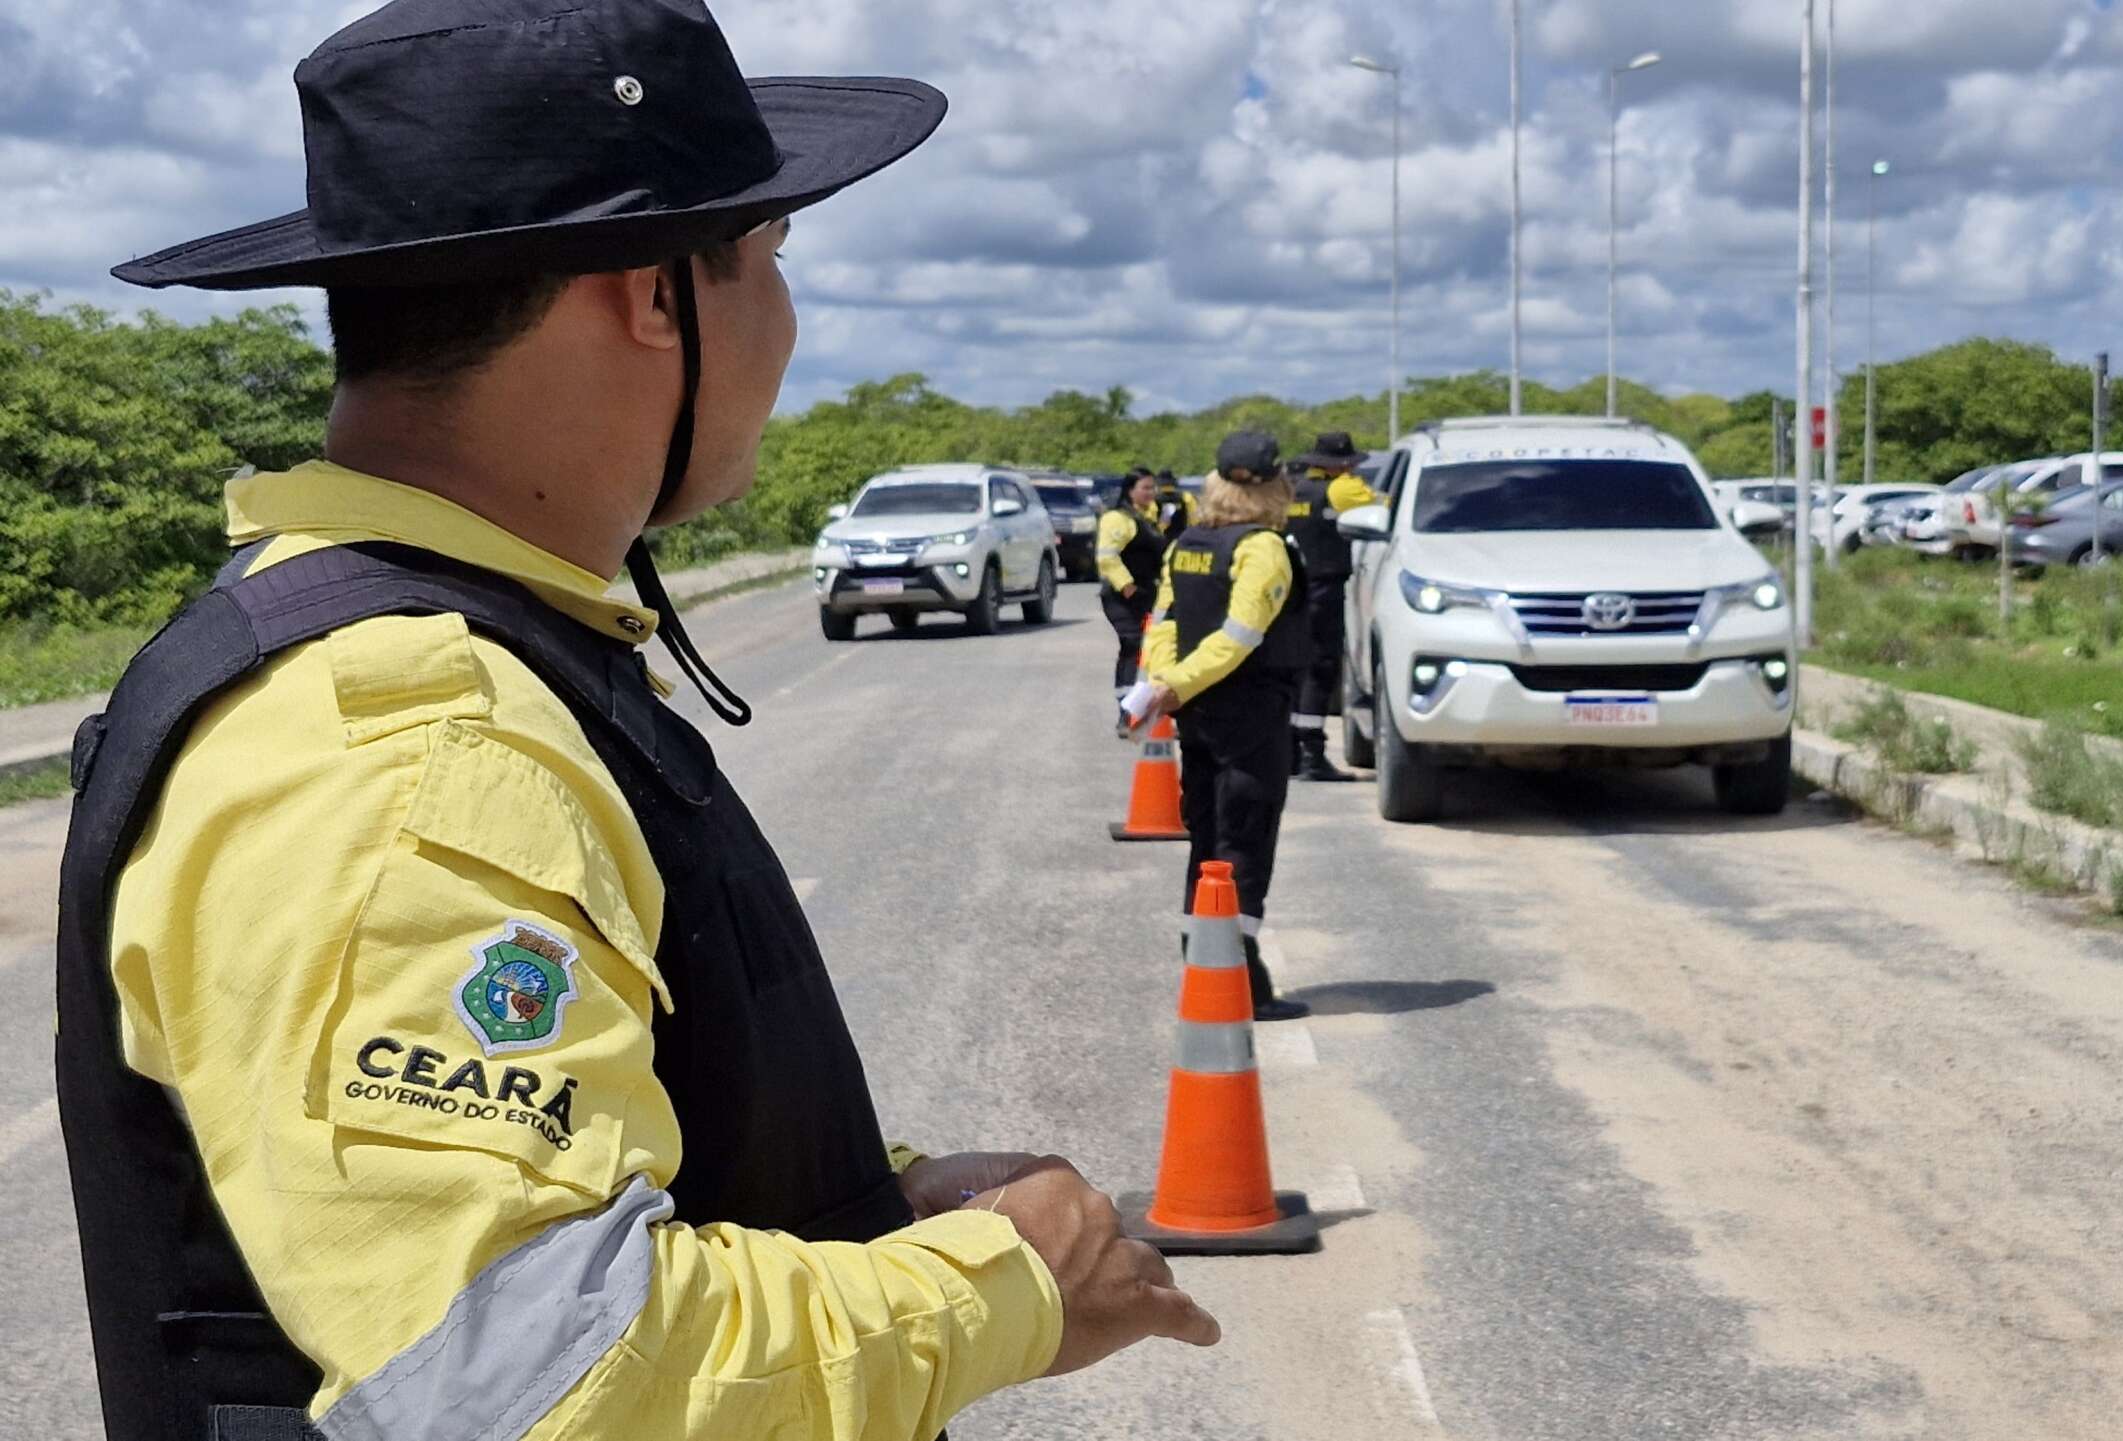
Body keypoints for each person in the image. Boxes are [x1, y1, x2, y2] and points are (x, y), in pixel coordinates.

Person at [54, 4, 1216, 1439]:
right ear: (651, 295)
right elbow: (539, 1376)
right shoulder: (417, 740)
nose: (789, 325)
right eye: (771, 262)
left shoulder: (414, 639)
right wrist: (1002, 1286)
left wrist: (864, 1207)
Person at [1131, 432, 1313, 1023]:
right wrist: (1174, 685)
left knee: (1208, 836)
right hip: (1247, 711)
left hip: (1198, 714)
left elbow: (1163, 621)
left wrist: (1167, 683)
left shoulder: (1188, 542)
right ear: (1274, 489)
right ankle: (1241, 982)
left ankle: (1204, 963)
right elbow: (1240, 636)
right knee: (1243, 838)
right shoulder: (1263, 548)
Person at [1284, 432, 1377, 782]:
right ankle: (1312, 754)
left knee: (1295, 669)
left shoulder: (1292, 490)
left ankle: (1292, 752)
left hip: (1292, 589)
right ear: (1343, 465)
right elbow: (1383, 506)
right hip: (1324, 587)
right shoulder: (1343, 489)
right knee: (1321, 668)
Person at [1096, 469, 1169, 713]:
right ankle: (1125, 711)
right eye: (1145, 488)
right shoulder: (1117, 518)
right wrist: (1127, 587)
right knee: (1132, 644)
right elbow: (1107, 558)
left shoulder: (1149, 517)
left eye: (1152, 488)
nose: (1151, 493)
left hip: (1149, 593)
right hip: (1122, 596)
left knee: (1153, 649)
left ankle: (1144, 706)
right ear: (1130, 490)